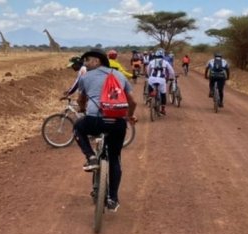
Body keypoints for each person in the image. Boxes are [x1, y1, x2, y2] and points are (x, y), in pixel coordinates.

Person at [73, 48, 137, 212]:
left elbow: (81, 100)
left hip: (94, 121)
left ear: (97, 61)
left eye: (87, 60)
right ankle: (113, 198)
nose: (85, 64)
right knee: (114, 158)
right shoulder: (120, 76)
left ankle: (91, 157)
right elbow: (132, 102)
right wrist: (129, 117)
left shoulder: (85, 77)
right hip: (116, 123)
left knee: (78, 127)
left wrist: (83, 110)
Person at [144, 49, 175, 115]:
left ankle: (150, 97)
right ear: (163, 55)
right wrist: (171, 77)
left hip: (152, 79)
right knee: (163, 94)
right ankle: (163, 109)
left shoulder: (152, 62)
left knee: (150, 87)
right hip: (161, 80)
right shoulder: (165, 62)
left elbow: (148, 70)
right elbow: (171, 71)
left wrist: (149, 76)